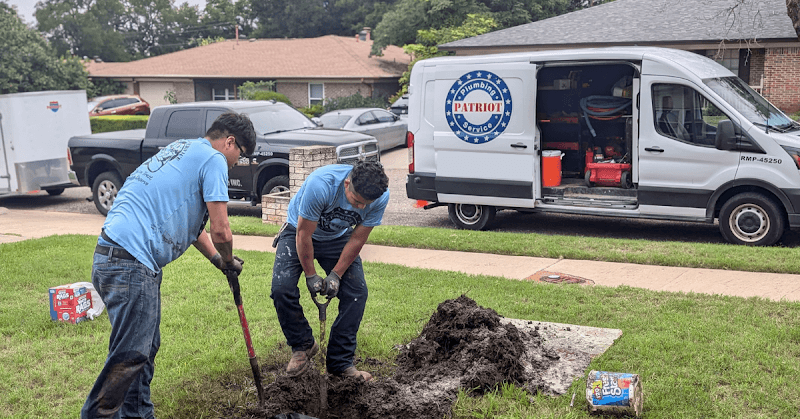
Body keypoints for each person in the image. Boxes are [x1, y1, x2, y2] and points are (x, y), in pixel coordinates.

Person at [81, 112, 256, 419]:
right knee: (131, 355)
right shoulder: (214, 160)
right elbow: (221, 230)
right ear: (230, 142)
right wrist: (229, 259)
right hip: (131, 261)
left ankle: (137, 414)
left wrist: (216, 259)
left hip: (113, 255)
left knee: (143, 348)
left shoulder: (184, 149)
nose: (237, 163)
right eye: (241, 154)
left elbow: (193, 227)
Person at [271, 160, 389, 382]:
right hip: (297, 231)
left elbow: (358, 237)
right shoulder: (321, 184)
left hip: (337, 238)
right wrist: (310, 274)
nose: (361, 208)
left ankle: (340, 362)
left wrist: (336, 274)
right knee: (281, 288)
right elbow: (304, 234)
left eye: (366, 204)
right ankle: (303, 345)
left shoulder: (380, 195)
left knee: (356, 293)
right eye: (356, 201)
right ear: (347, 184)